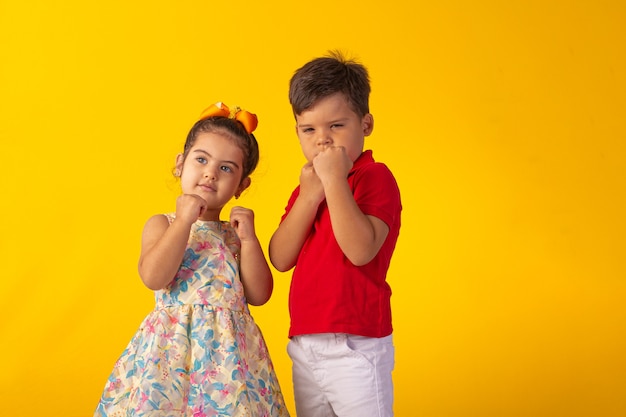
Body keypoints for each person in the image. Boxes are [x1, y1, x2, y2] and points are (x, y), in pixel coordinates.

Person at [95, 102, 290, 417]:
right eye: (201, 160)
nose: (211, 173)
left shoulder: (236, 235)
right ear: (180, 164)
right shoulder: (164, 224)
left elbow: (260, 294)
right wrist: (184, 222)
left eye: (226, 168)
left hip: (229, 362)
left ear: (242, 186)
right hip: (169, 357)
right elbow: (154, 277)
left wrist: (249, 240)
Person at [268, 51, 402, 417]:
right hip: (305, 343)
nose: (322, 141)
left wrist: (333, 179)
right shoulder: (307, 189)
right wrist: (311, 194)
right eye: (309, 130)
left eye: (336, 126)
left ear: (366, 124)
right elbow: (280, 258)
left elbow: (361, 250)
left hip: (355, 345)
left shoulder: (374, 177)